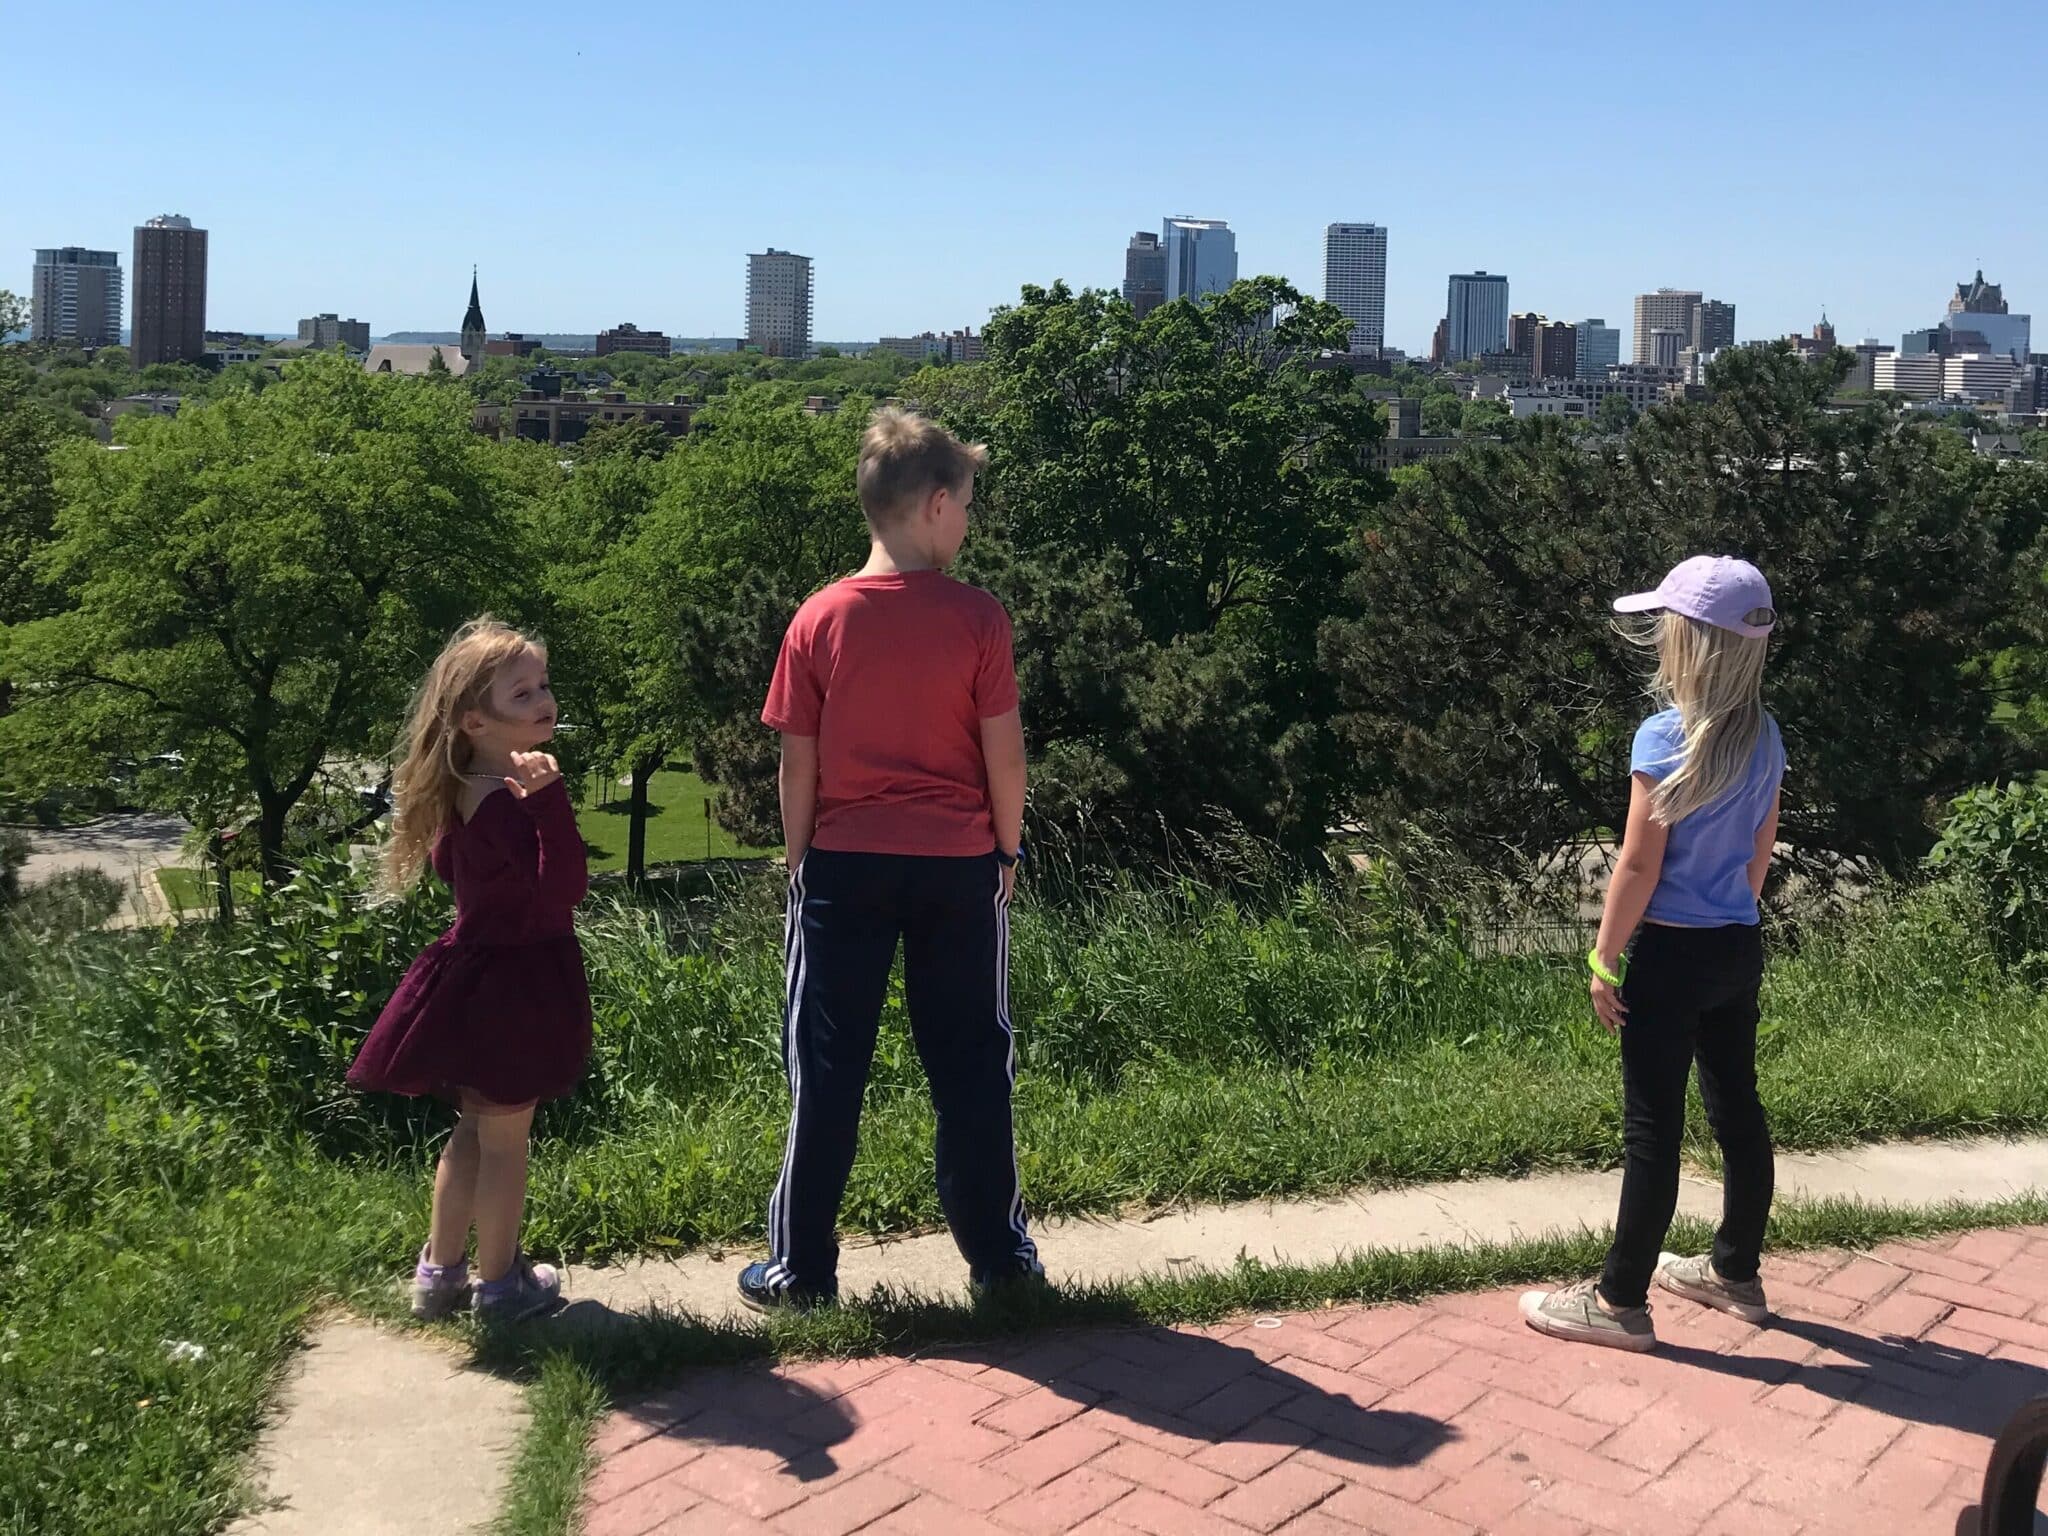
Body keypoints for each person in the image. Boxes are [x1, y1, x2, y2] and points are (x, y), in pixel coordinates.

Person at [740, 407, 1041, 1311]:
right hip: (957, 867)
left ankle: (800, 1271)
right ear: (935, 506)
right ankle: (1000, 1261)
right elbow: (1006, 754)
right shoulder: (978, 617)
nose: (970, 523)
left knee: (826, 1066)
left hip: (843, 869)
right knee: (972, 1064)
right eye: (968, 506)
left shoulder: (819, 619)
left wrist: (799, 859)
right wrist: (1007, 847)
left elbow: (798, 758)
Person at [1522, 556, 1785, 1351]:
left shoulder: (1664, 735)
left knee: (1652, 1128)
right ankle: (1736, 1273)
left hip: (1669, 957)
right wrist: (1732, 911)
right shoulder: (1764, 734)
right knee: (1738, 1110)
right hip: (1737, 944)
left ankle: (1619, 1301)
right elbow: (1760, 850)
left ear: (1687, 642)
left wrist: (1604, 958)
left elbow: (1638, 863)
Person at [347, 618, 592, 1322]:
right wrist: (550, 804)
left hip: (473, 975)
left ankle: (441, 1273)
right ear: (476, 720)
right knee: (508, 1146)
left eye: (543, 685)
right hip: (519, 984)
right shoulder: (511, 801)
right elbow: (564, 887)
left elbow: (458, 871)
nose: (544, 700)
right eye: (524, 694)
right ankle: (500, 1287)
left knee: (471, 1133)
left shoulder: (466, 786)